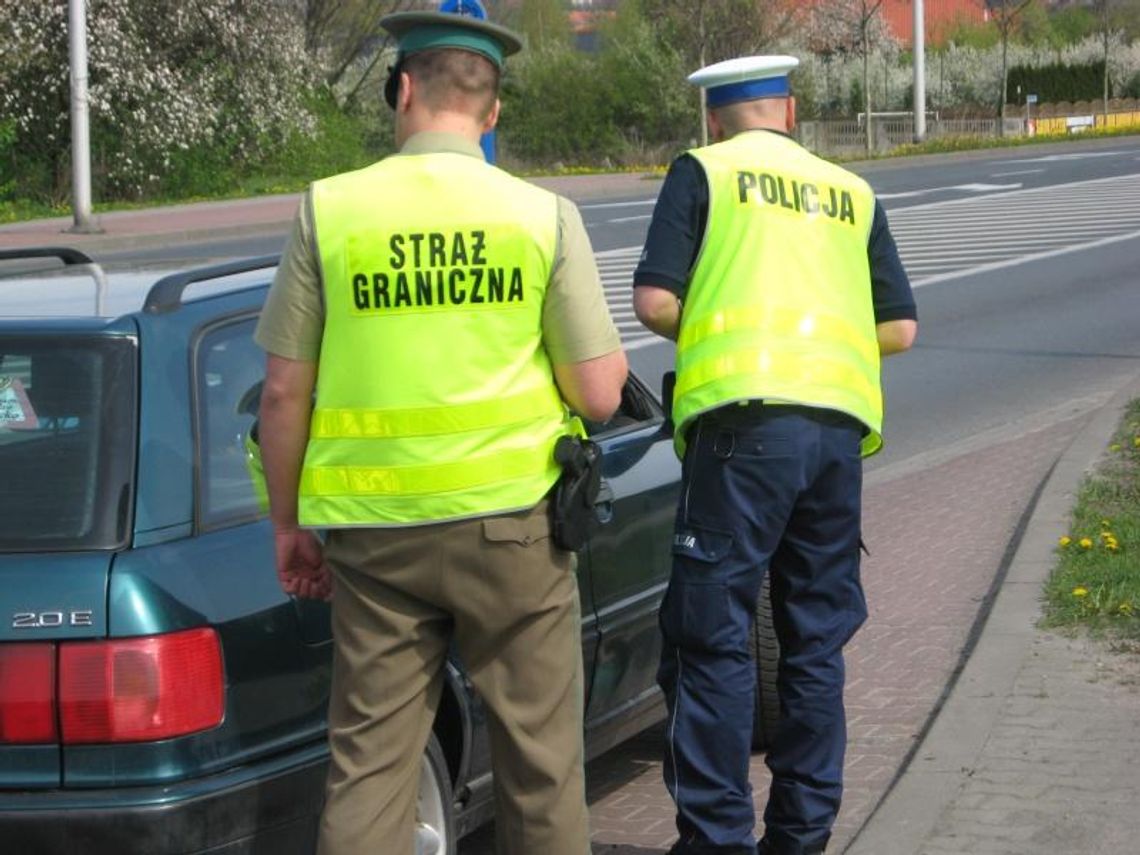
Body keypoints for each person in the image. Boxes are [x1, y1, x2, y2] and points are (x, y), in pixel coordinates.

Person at [253, 12, 628, 855]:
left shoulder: (330, 211)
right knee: (540, 765)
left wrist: (287, 524)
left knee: (371, 769)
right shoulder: (541, 215)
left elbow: (282, 394)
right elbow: (601, 394)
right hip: (514, 534)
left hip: (375, 540)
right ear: (491, 113)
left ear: (406, 89)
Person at [633, 56, 918, 855]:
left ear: (714, 118)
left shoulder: (706, 173)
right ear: (789, 109)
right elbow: (899, 328)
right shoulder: (850, 192)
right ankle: (801, 837)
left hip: (742, 435)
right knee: (814, 641)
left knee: (712, 638)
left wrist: (739, 337)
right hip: (836, 440)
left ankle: (719, 839)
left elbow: (655, 298)